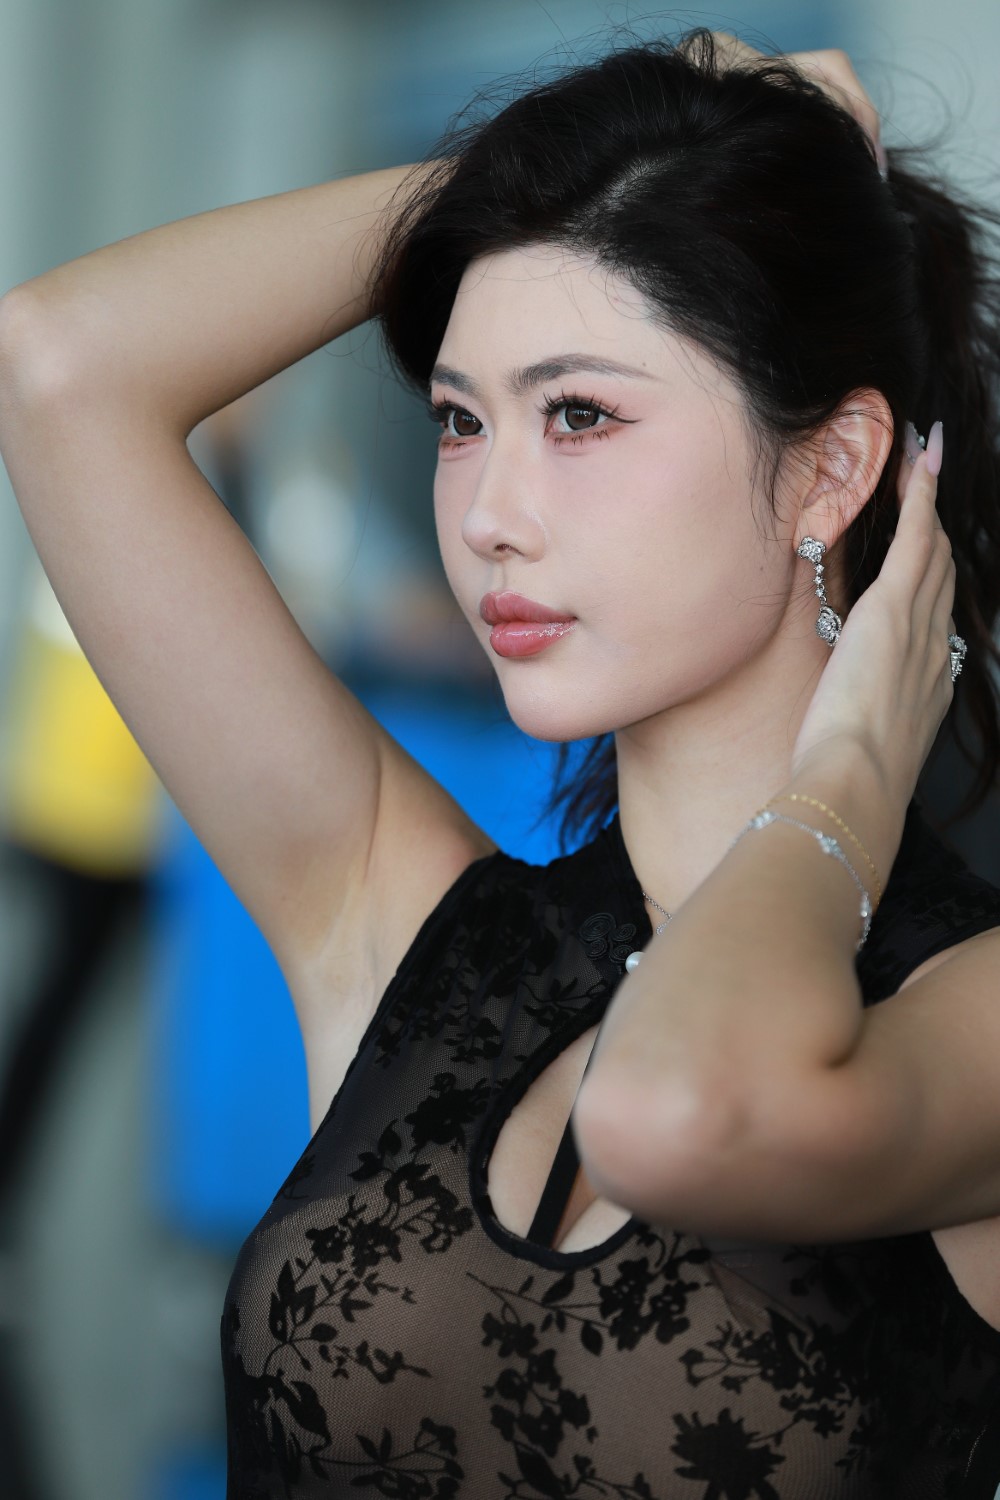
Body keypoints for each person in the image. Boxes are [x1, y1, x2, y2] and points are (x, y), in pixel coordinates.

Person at [2, 24, 1000, 1498]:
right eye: (461, 421)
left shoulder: (973, 1013)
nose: (485, 515)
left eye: (578, 414)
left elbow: (671, 1114)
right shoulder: (412, 927)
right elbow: (62, 363)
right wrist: (583, 149)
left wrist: (852, 763)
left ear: (833, 467)